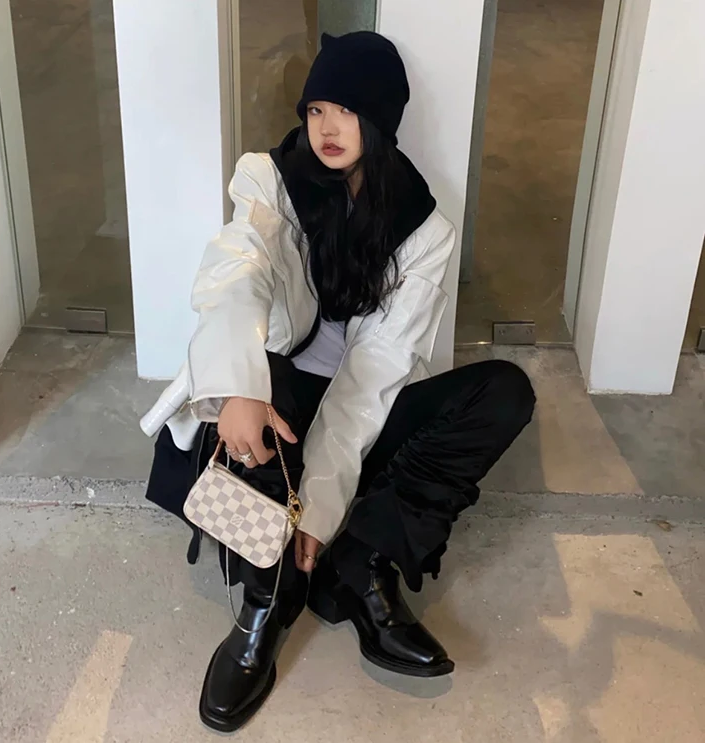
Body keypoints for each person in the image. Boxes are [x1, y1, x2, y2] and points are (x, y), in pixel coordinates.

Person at [142, 31, 535, 733]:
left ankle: (361, 563)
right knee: (262, 391)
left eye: (346, 111)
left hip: (359, 412)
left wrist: (320, 510)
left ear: (379, 121)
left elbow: (370, 377)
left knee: (505, 391)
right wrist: (238, 385)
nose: (326, 127)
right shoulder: (271, 180)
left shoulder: (423, 230)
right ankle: (267, 603)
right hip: (279, 400)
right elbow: (237, 273)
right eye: (316, 109)